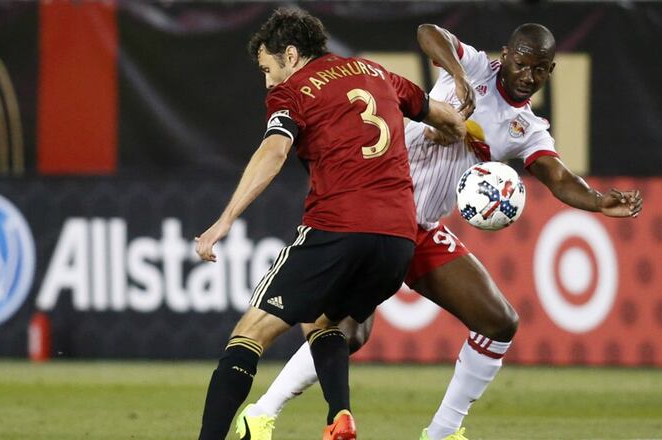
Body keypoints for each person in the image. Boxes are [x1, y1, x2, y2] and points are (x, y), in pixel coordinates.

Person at [236, 22, 643, 440]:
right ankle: (262, 412)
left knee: (498, 322)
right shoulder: (474, 68)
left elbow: (556, 176)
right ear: (505, 55)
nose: (528, 76)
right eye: (521, 64)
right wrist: (461, 75)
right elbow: (429, 32)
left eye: (539, 70)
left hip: (422, 228)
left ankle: (442, 432)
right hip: (372, 211)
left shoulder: (527, 129)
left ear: (550, 70)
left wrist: (595, 200)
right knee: (348, 333)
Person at [193, 8, 465, 440]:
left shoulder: (293, 91)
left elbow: (274, 153)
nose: (267, 81)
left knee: (249, 335)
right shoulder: (377, 72)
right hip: (397, 241)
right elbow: (447, 116)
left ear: (291, 54)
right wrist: (455, 132)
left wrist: (223, 221)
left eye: (268, 68)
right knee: (323, 319)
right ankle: (340, 414)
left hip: (339, 227)